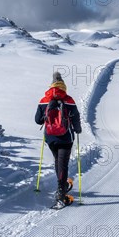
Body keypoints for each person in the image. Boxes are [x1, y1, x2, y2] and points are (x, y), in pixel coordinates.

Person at [35, 72, 82, 207]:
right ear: (63, 86)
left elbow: (37, 120)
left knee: (58, 161)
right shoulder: (69, 100)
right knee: (63, 163)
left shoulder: (44, 100)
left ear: (51, 85)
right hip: (66, 137)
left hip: (50, 138)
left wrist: (46, 117)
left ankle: (62, 184)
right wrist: (78, 129)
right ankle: (61, 193)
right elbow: (75, 118)